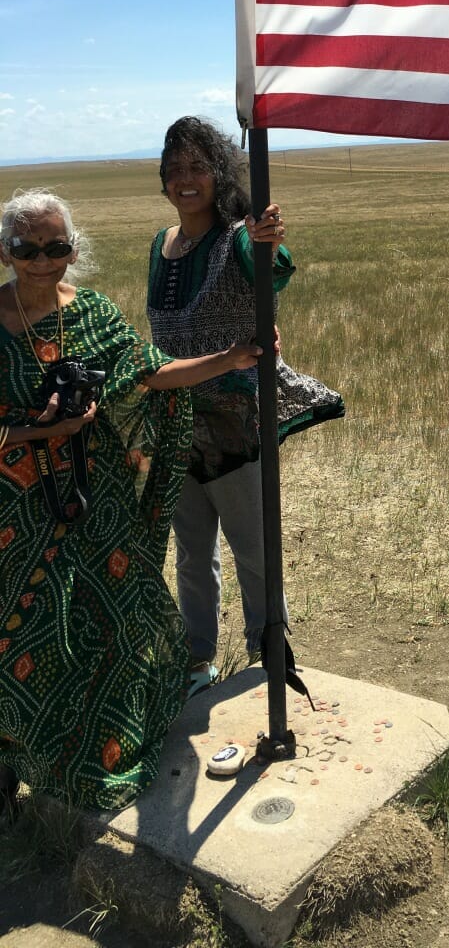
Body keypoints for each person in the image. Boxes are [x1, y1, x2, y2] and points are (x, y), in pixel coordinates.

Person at [0, 189, 263, 811]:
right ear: (6, 251)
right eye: (26, 247)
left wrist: (230, 357)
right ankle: (16, 763)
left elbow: (148, 371)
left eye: (56, 246)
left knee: (113, 621)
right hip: (17, 515)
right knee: (23, 635)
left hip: (98, 503)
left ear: (73, 249)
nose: (42, 259)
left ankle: (102, 748)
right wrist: (45, 431)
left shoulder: (90, 311)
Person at [148, 117, 342, 695]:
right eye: (175, 168)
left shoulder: (237, 234)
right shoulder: (161, 245)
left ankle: (270, 659)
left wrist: (269, 241)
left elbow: (266, 270)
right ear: (163, 181)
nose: (187, 179)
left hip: (236, 427)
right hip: (176, 427)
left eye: (198, 167)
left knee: (254, 553)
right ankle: (196, 662)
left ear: (218, 175)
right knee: (191, 555)